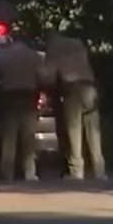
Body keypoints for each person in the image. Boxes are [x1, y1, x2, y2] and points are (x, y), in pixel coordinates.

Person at [43, 30, 106, 180]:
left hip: (72, 89)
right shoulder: (77, 43)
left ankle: (76, 171)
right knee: (93, 131)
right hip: (90, 87)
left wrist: (49, 88)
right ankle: (99, 171)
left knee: (74, 130)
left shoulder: (53, 48)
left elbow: (50, 76)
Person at [0, 35, 44, 180]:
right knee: (28, 137)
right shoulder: (33, 55)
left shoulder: (1, 55)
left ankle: (7, 173)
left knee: (9, 138)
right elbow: (43, 77)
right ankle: (30, 172)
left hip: (9, 98)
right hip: (28, 97)